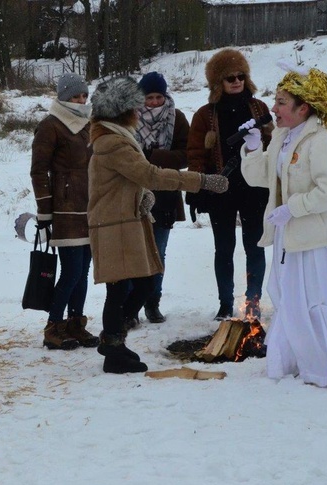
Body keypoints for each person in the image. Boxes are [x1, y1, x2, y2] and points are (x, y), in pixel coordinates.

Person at [88, 76, 229, 374]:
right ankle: (113, 348)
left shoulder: (116, 136)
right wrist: (200, 181)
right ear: (121, 111)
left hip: (123, 220)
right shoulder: (113, 142)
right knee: (122, 288)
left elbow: (128, 181)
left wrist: (142, 196)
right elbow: (149, 174)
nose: (140, 113)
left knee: (142, 281)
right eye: (135, 108)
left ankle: (114, 341)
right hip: (114, 224)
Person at [240, 67, 327, 387]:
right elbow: (262, 178)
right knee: (291, 300)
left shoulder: (322, 142)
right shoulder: (284, 138)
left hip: (320, 239)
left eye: (282, 102)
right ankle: (306, 361)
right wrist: (254, 148)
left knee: (324, 301)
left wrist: (292, 208)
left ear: (303, 108)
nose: (274, 108)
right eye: (276, 101)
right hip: (292, 236)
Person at [187, 48, 273, 321]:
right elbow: (196, 154)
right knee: (223, 248)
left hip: (254, 190)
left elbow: (274, 145)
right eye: (229, 77)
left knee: (255, 246)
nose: (236, 81)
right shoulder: (204, 115)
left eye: (241, 76)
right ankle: (225, 303)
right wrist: (198, 187)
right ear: (217, 83)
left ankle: (253, 302)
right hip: (220, 190)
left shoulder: (259, 108)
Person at [30, 72, 99, 350]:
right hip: (65, 212)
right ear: (63, 97)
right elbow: (38, 171)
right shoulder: (51, 126)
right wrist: (45, 210)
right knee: (70, 272)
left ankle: (75, 324)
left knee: (83, 272)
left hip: (90, 209)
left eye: (84, 95)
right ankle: (54, 327)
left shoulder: (90, 124)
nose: (81, 100)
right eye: (75, 96)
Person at [134, 71, 190, 324]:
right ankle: (129, 306)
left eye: (159, 96)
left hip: (165, 194)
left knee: (158, 252)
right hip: (134, 193)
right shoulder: (128, 119)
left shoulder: (176, 118)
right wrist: (143, 161)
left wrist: (155, 158)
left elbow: (186, 155)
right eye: (149, 97)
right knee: (133, 253)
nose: (155, 102)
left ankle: (152, 303)